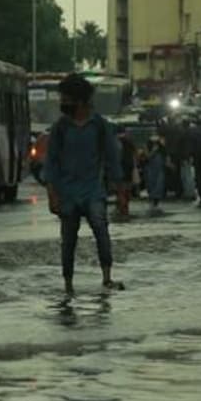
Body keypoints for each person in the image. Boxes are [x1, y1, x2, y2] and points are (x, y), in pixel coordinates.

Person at [43, 74, 126, 295]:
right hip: (67, 193)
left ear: (79, 100)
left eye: (66, 98)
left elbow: (112, 160)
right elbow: (50, 163)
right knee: (68, 240)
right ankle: (68, 284)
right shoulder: (60, 128)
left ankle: (107, 277)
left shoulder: (100, 126)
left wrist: (121, 192)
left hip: (93, 191)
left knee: (101, 227)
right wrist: (52, 194)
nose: (63, 102)